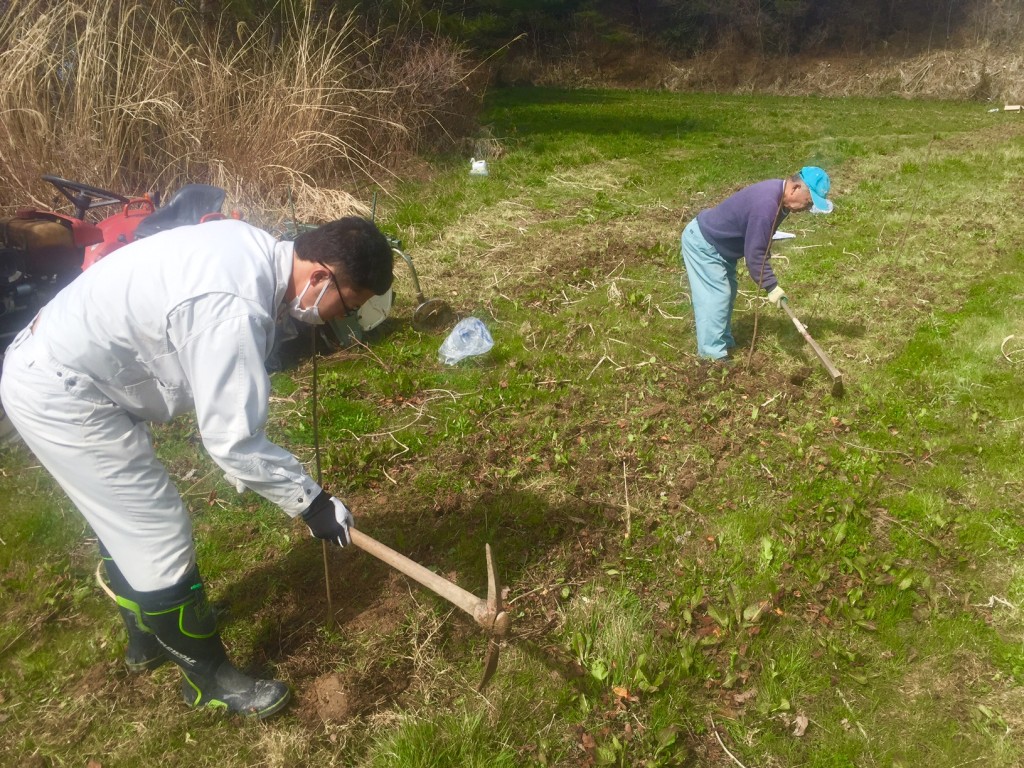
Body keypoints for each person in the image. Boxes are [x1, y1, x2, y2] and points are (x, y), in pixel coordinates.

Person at [0, 216, 394, 718]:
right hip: (60, 389)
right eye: (351, 303)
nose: (344, 316)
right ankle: (207, 680)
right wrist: (313, 504)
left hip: (72, 366)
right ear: (320, 277)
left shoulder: (253, 250)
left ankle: (149, 637)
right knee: (155, 530)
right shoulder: (232, 307)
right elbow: (233, 441)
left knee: (123, 517)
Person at [679, 166, 833, 361]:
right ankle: (712, 358)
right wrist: (771, 286)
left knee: (728, 291)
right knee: (716, 295)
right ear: (795, 188)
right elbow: (755, 254)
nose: (808, 208)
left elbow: (760, 238)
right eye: (809, 202)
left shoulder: (780, 200)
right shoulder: (767, 204)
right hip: (704, 243)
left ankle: (721, 340)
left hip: (722, 247)